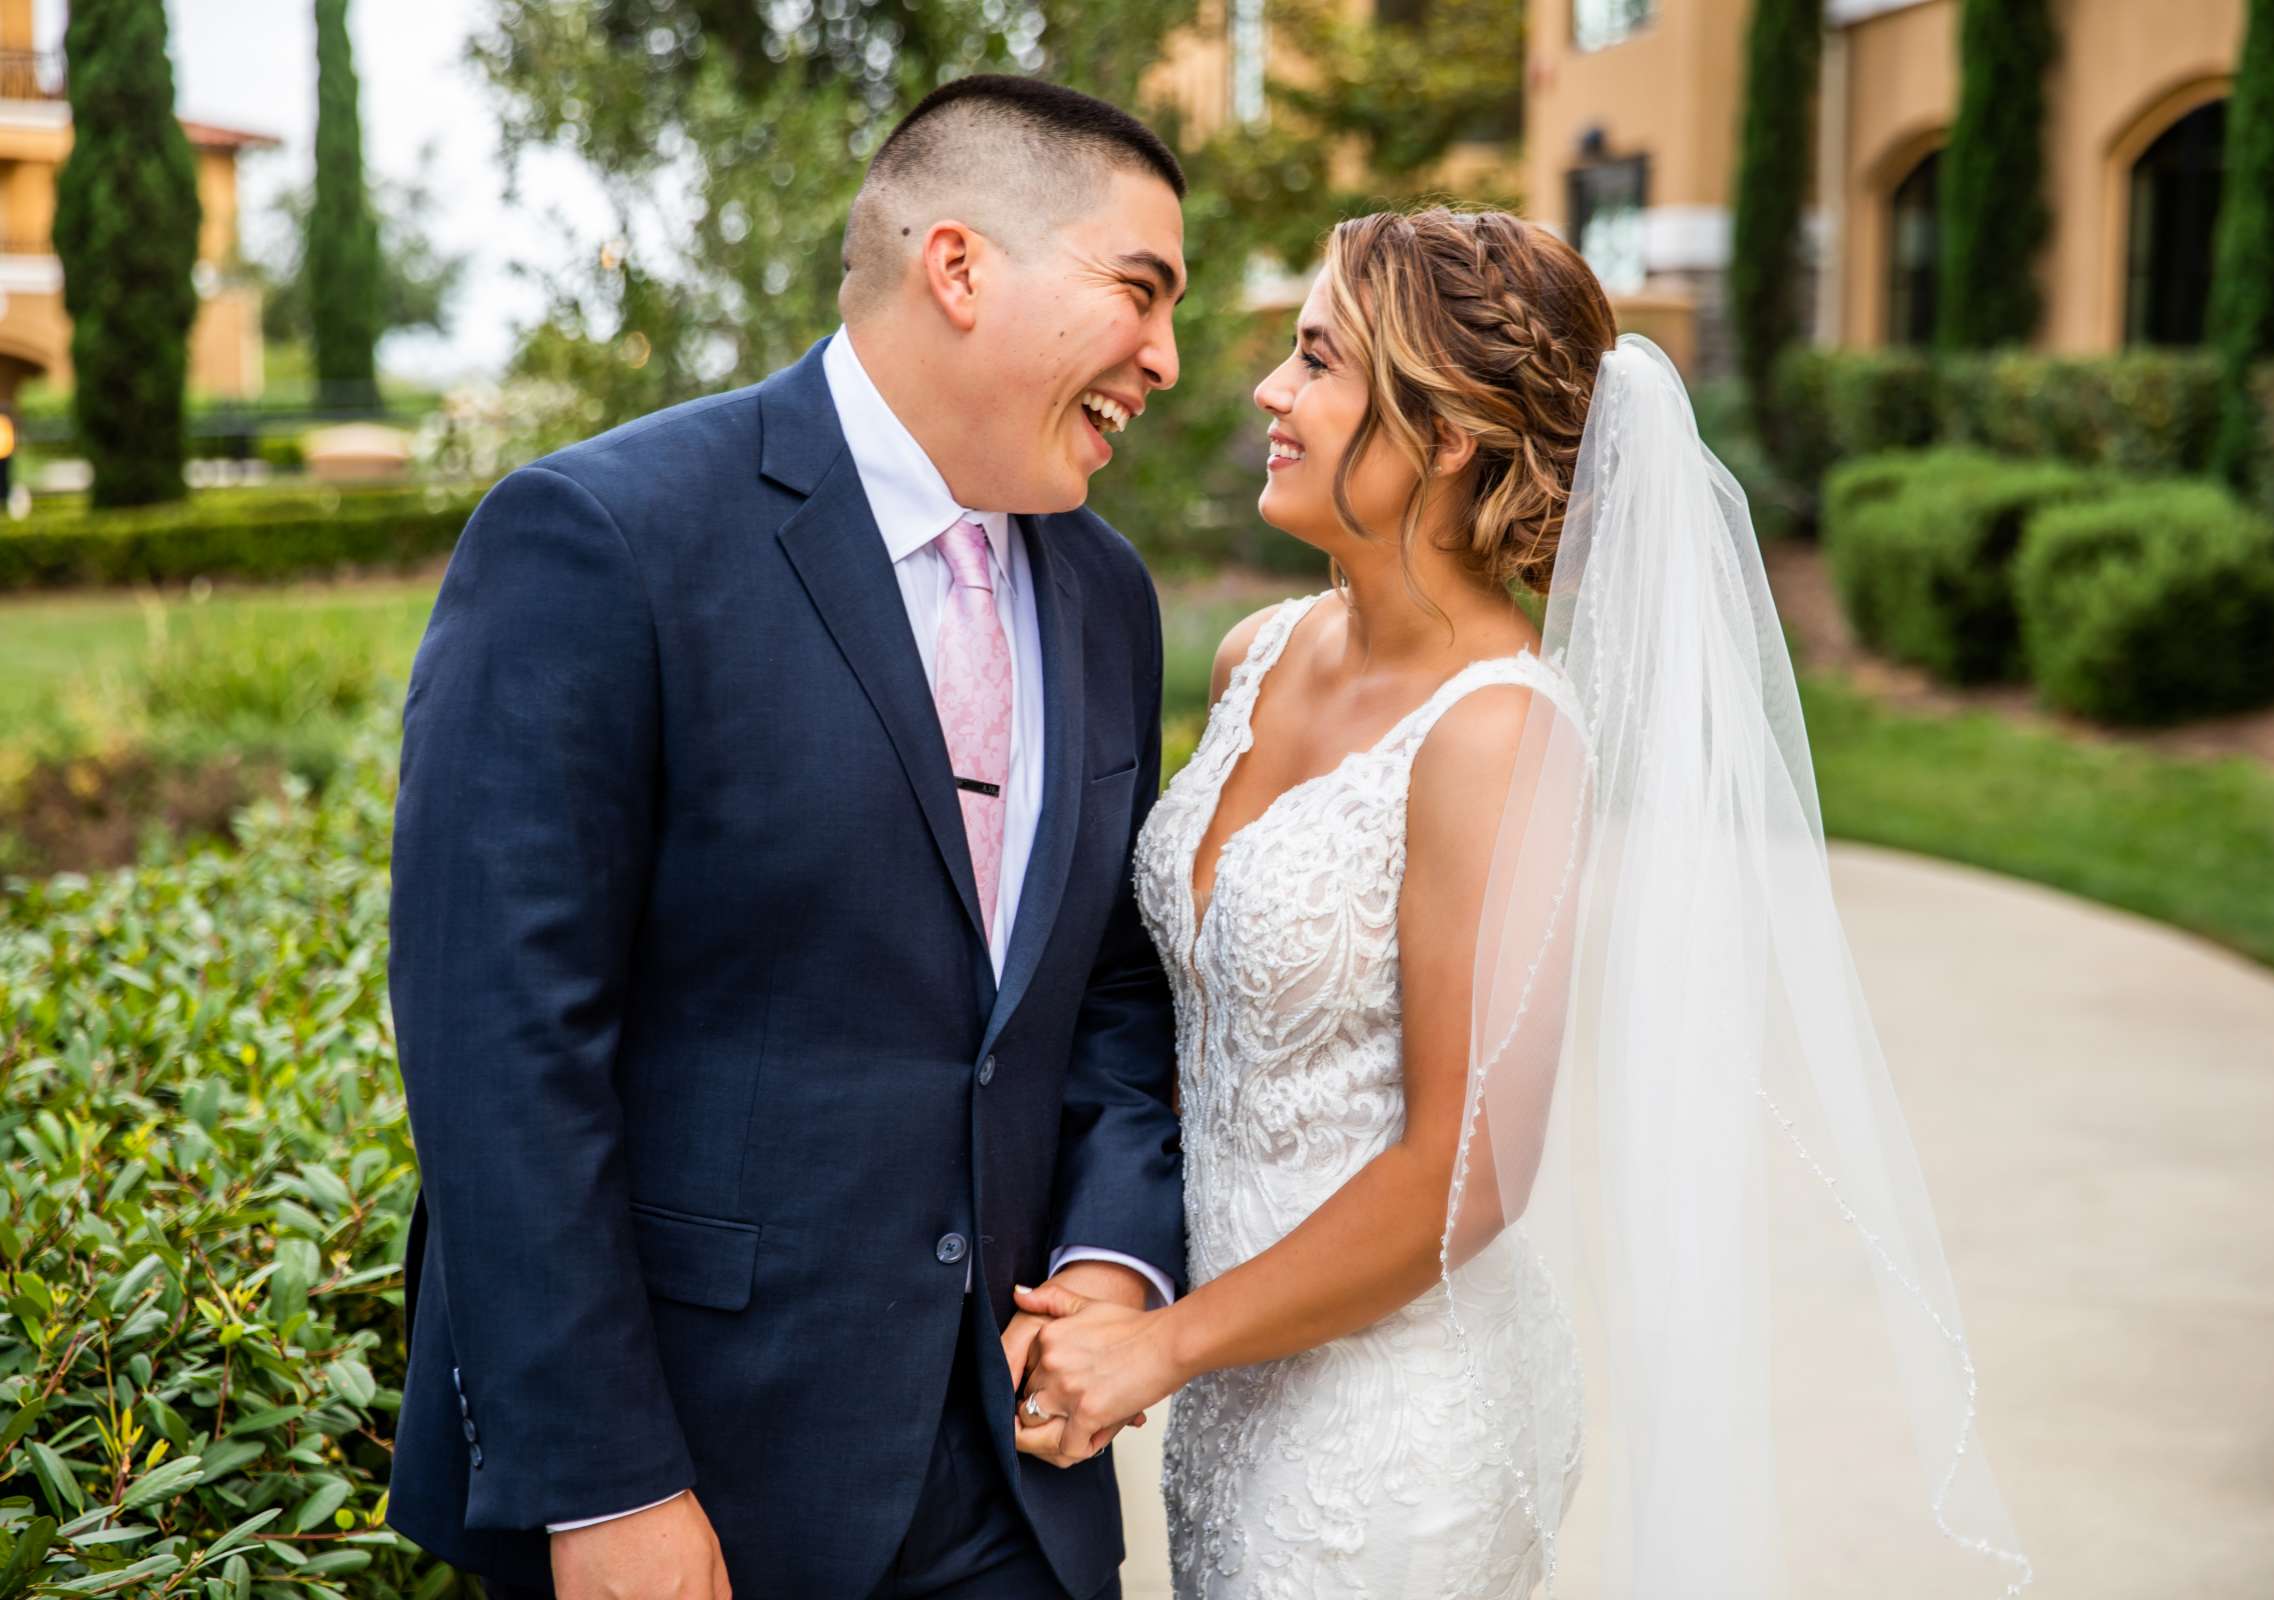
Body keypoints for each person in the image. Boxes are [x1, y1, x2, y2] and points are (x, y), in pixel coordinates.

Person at [1014, 209, 2033, 1597]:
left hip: (1390, 1437)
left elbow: (1467, 1176)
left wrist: (1162, 1346)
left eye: (1317, 360)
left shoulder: (1498, 733)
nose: (1268, 391)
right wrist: (1116, 1277)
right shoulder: (1261, 654)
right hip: (1231, 1400)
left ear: (1445, 435)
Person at [386, 75, 1189, 1600]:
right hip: (695, 1484)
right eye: (1138, 292)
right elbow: (499, 1049)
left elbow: (1108, 992)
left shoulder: (1108, 596)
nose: (1163, 356)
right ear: (958, 268)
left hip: (1015, 1495)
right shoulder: (601, 540)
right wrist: (604, 1481)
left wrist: (1111, 1258)